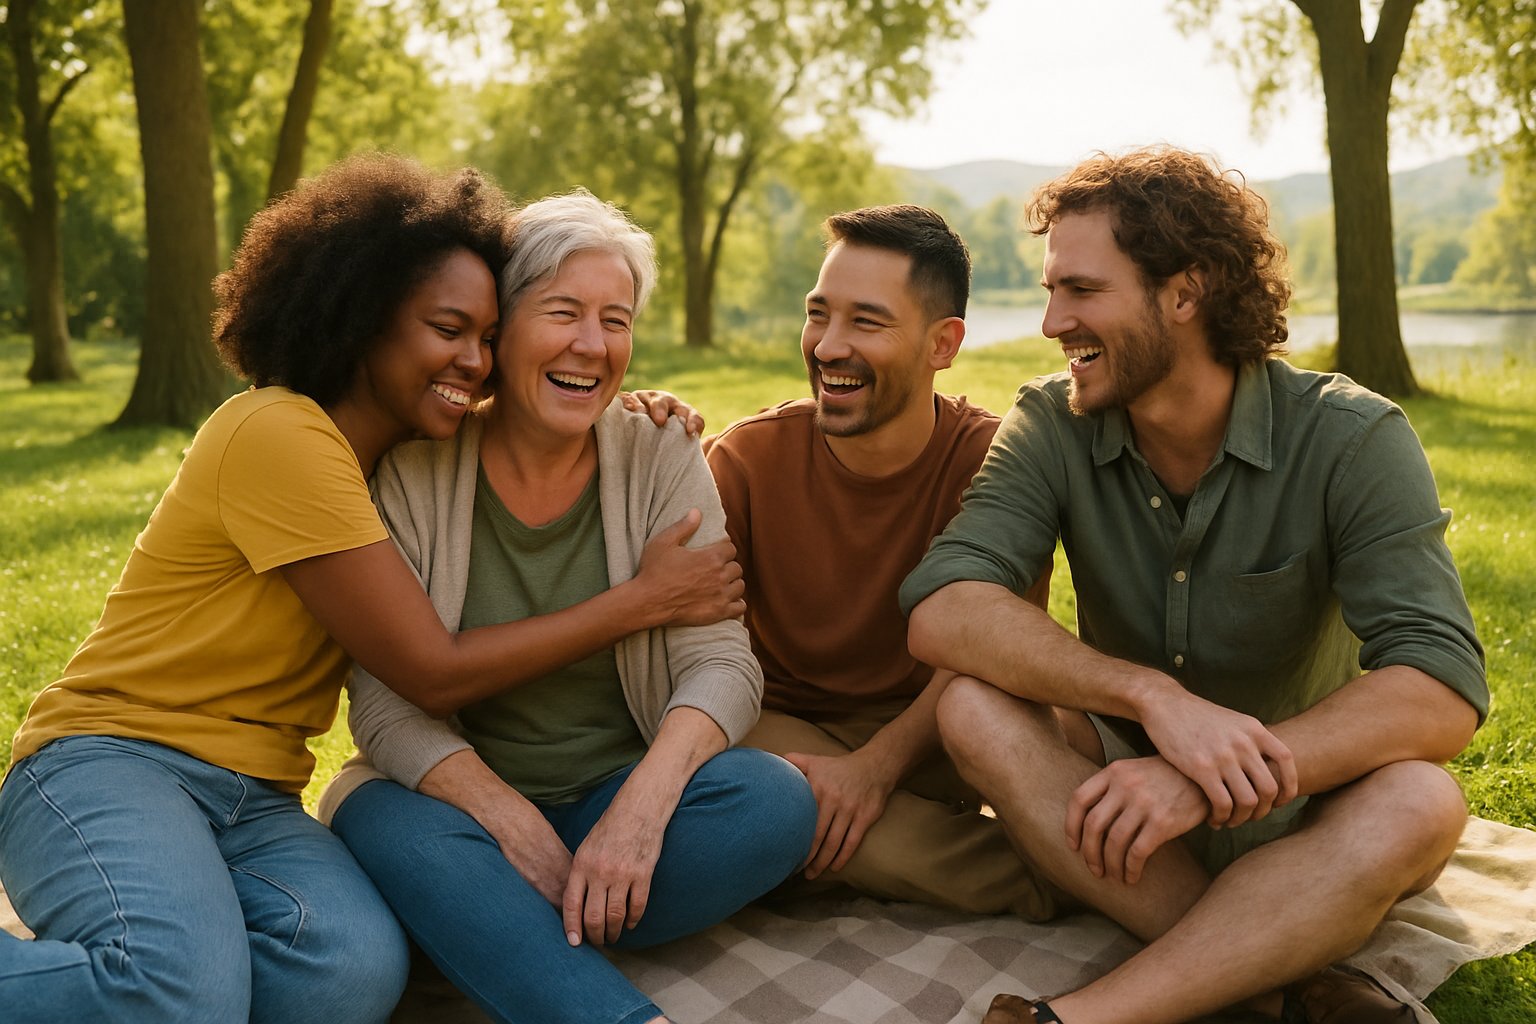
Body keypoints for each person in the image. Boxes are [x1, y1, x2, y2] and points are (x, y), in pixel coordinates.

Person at [0, 156, 725, 1024]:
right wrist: (642, 601)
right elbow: (432, 671)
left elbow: (541, 407)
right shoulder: (279, 432)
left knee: (345, 978)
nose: (475, 361)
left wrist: (623, 405)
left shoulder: (398, 461)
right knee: (172, 990)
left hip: (257, 798)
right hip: (113, 760)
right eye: (446, 329)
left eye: (489, 337)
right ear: (363, 321)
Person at [901, 147, 1488, 1024]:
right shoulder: (1049, 422)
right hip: (1116, 799)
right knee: (970, 708)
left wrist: (1212, 776)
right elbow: (944, 607)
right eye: (1051, 290)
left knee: (1423, 800)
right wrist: (1149, 697)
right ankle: (1283, 986)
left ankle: (1083, 1016)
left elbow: (1442, 687)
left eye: (1083, 290)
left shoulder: (1352, 438)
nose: (1054, 321)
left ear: (1185, 292)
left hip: (1307, 801)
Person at [319, 190, 817, 1024]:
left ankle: (492, 932)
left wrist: (641, 811)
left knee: (774, 802)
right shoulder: (412, 470)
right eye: (563, 313)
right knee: (374, 819)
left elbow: (722, 661)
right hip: (466, 809)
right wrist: (510, 823)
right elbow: (383, 702)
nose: (593, 344)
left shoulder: (661, 450)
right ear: (499, 330)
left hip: (614, 791)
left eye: (616, 320)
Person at [703, 204, 1055, 919]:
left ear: (942, 343)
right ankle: (1072, 887)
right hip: (775, 726)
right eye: (818, 314)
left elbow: (994, 658)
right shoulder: (745, 460)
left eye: (866, 322)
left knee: (850, 809)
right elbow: (691, 651)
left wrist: (876, 767)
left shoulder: (994, 465)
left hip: (934, 733)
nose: (829, 347)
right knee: (825, 818)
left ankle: (804, 855)